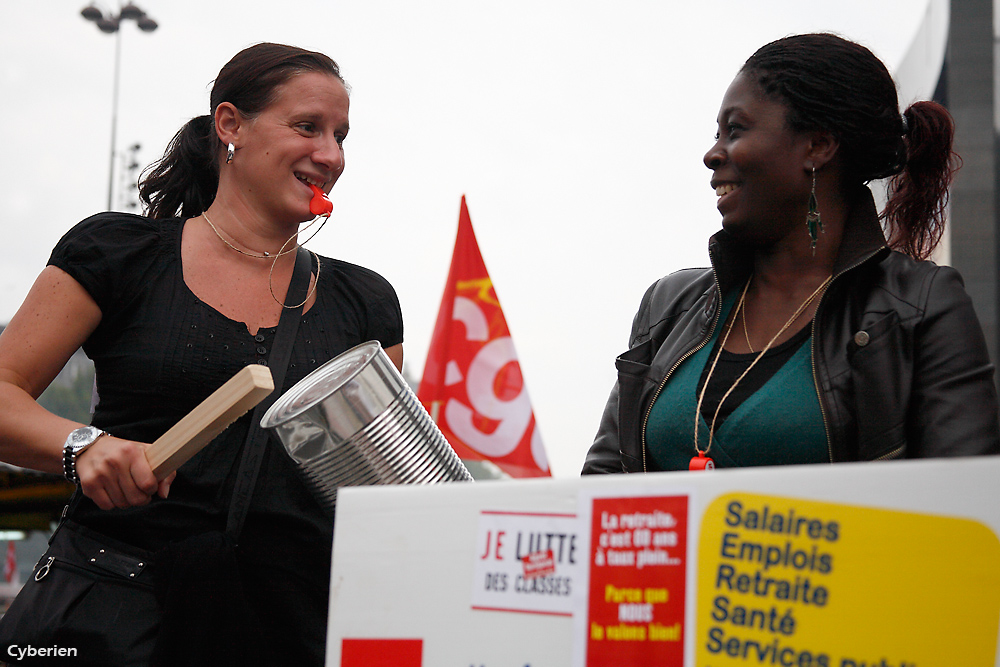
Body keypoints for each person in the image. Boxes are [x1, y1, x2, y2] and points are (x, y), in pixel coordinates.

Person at [0, 43, 403, 665]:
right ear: (230, 125)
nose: (331, 155)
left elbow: (382, 492)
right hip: (116, 619)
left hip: (285, 634)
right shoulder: (118, 252)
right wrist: (84, 445)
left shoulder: (366, 302)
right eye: (307, 127)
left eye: (340, 136)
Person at [583, 33, 999, 475]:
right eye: (716, 134)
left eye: (736, 130)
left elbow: (960, 510)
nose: (712, 154)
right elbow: (602, 489)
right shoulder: (668, 307)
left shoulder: (920, 306)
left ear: (818, 146)